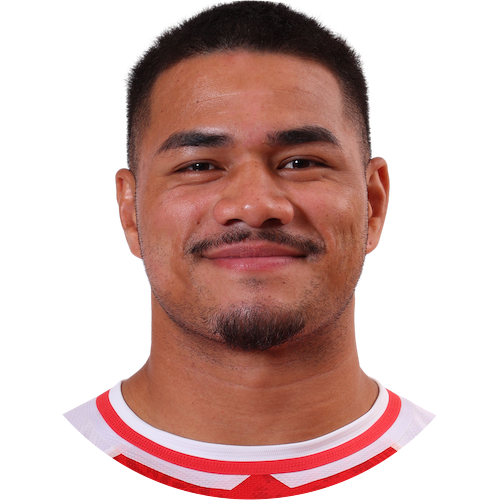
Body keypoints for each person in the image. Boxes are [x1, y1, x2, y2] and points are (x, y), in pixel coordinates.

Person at [63, 0, 447, 497]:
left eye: (301, 162)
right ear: (129, 212)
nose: (253, 205)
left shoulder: (470, 473)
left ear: (374, 203)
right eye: (199, 166)